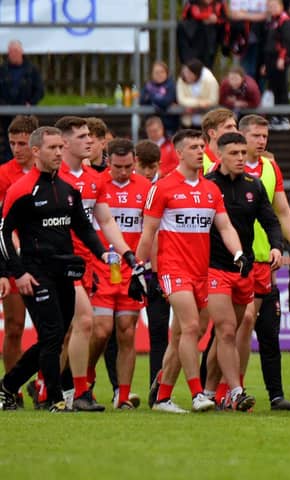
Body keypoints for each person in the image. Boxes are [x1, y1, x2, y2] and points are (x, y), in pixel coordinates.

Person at [0, 126, 110, 412]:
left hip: (64, 272)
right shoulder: (22, 189)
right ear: (36, 152)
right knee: (51, 334)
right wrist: (18, 272)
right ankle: (54, 398)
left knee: (56, 335)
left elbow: (84, 229)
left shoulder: (67, 190)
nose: (59, 153)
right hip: (35, 274)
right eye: (53, 148)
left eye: (61, 147)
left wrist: (104, 253)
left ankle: (8, 386)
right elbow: (2, 233)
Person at [138, 129, 244, 413]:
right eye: (194, 147)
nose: (200, 151)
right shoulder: (162, 187)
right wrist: (139, 269)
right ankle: (198, 394)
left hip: (202, 272)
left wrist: (238, 253)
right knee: (191, 327)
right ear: (180, 153)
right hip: (174, 269)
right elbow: (147, 233)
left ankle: (162, 398)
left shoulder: (211, 190)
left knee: (180, 337)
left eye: (202, 146)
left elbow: (225, 227)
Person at [55, 116, 140, 412]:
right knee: (70, 328)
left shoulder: (94, 180)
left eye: (91, 136)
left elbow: (104, 221)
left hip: (89, 264)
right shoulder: (53, 176)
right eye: (82, 136)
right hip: (56, 262)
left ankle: (73, 392)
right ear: (65, 142)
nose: (90, 140)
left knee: (82, 326)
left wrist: (126, 253)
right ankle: (59, 389)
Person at [202, 131, 285, 411]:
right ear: (221, 155)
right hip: (213, 267)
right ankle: (236, 391)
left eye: (242, 153)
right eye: (234, 154)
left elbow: (271, 221)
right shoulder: (208, 185)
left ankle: (209, 392)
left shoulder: (254, 185)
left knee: (229, 332)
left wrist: (277, 247)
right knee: (226, 330)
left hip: (244, 268)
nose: (240, 158)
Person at [235, 114, 290, 410]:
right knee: (238, 325)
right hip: (238, 263)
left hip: (268, 261)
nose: (262, 141)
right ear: (242, 137)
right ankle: (233, 390)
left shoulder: (270, 167)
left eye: (265, 136)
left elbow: (283, 213)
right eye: (256, 136)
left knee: (269, 332)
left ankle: (275, 396)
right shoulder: (225, 169)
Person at [86, 139, 152, 410]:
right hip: (102, 267)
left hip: (130, 270)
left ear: (134, 161)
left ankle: (122, 396)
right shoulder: (96, 185)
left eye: (128, 166)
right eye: (117, 167)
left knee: (126, 332)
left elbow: (152, 230)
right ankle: (84, 380)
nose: (123, 172)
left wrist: (145, 266)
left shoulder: (146, 188)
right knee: (101, 331)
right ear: (108, 161)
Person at [0, 114, 38, 406]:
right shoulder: (3, 175)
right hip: (13, 262)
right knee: (14, 325)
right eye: (12, 143)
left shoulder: (49, 172)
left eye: (22, 143)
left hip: (43, 260)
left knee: (52, 329)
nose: (16, 148)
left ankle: (45, 385)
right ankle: (12, 390)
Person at [133, 139, 172, 388]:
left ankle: (159, 387)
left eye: (152, 167)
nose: (147, 173)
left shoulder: (164, 188)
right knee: (120, 331)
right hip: (135, 267)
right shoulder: (130, 188)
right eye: (143, 167)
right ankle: (124, 390)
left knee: (166, 332)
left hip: (162, 268)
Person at [0, 40, 44, 162]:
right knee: (9, 141)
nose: (13, 54)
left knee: (26, 140)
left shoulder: (31, 70)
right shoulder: (2, 70)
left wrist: (31, 103)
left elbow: (39, 90)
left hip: (26, 115)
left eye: (16, 51)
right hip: (5, 115)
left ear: (21, 52)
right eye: (11, 52)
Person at [260, 0, 290, 131]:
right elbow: (267, 43)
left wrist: (282, 58)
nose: (272, 8)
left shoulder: (285, 21)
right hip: (269, 58)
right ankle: (276, 116)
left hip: (279, 59)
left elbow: (287, 42)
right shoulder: (270, 21)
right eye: (270, 6)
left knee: (282, 87)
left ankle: (284, 116)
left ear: (281, 7)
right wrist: (264, 64)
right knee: (273, 87)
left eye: (275, 6)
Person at [176, 58, 220, 128]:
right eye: (185, 72)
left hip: (206, 122)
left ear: (196, 73)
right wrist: (199, 103)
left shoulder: (210, 80)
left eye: (189, 73)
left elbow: (213, 100)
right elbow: (181, 99)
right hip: (187, 121)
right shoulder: (182, 78)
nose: (186, 75)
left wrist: (191, 105)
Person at [140, 60, 179, 135]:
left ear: (167, 73)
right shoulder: (148, 85)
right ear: (152, 74)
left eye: (162, 72)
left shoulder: (171, 85)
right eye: (156, 72)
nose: (159, 75)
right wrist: (158, 99)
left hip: (169, 125)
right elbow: (142, 101)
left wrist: (151, 97)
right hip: (152, 125)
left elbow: (166, 101)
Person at [201, 108, 238, 174]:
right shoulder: (197, 160)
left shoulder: (240, 159)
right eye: (228, 127)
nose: (235, 131)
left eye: (235, 126)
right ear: (212, 133)